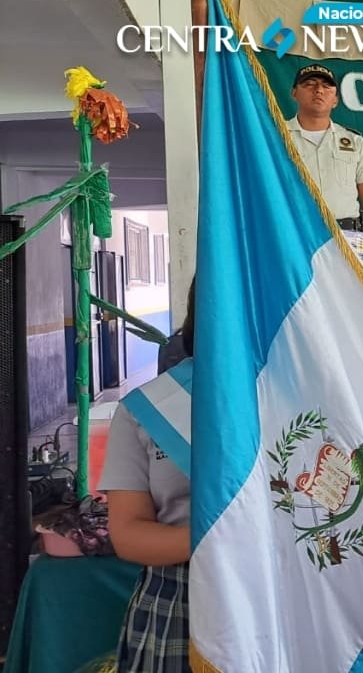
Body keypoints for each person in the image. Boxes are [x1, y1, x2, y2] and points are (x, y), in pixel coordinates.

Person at [101, 281, 196, 672]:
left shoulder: (308, 398)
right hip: (180, 605)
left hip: (292, 596)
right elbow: (128, 534)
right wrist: (227, 538)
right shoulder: (147, 410)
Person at [284, 64, 363, 234]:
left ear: (335, 100)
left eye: (326, 86)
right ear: (294, 93)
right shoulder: (275, 137)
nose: (319, 91)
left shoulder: (355, 142)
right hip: (295, 237)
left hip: (347, 238)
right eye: (309, 84)